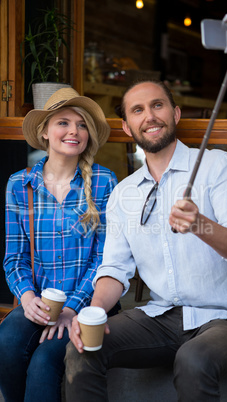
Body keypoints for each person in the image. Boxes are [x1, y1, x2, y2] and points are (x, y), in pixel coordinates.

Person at [65, 80, 227, 401]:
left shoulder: (216, 167)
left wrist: (201, 225)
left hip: (226, 319)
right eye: (138, 110)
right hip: (161, 317)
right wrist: (95, 312)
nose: (150, 116)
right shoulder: (124, 193)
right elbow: (114, 269)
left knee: (193, 358)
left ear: (176, 113)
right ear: (127, 127)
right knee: (83, 350)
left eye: (158, 105)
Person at [0, 87, 120, 402]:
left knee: (43, 362)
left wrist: (72, 309)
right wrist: (26, 298)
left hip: (90, 301)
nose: (73, 131)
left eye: (82, 125)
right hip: (39, 301)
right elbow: (14, 257)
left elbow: (105, 258)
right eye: (63, 122)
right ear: (44, 131)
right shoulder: (19, 184)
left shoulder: (106, 182)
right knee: (7, 343)